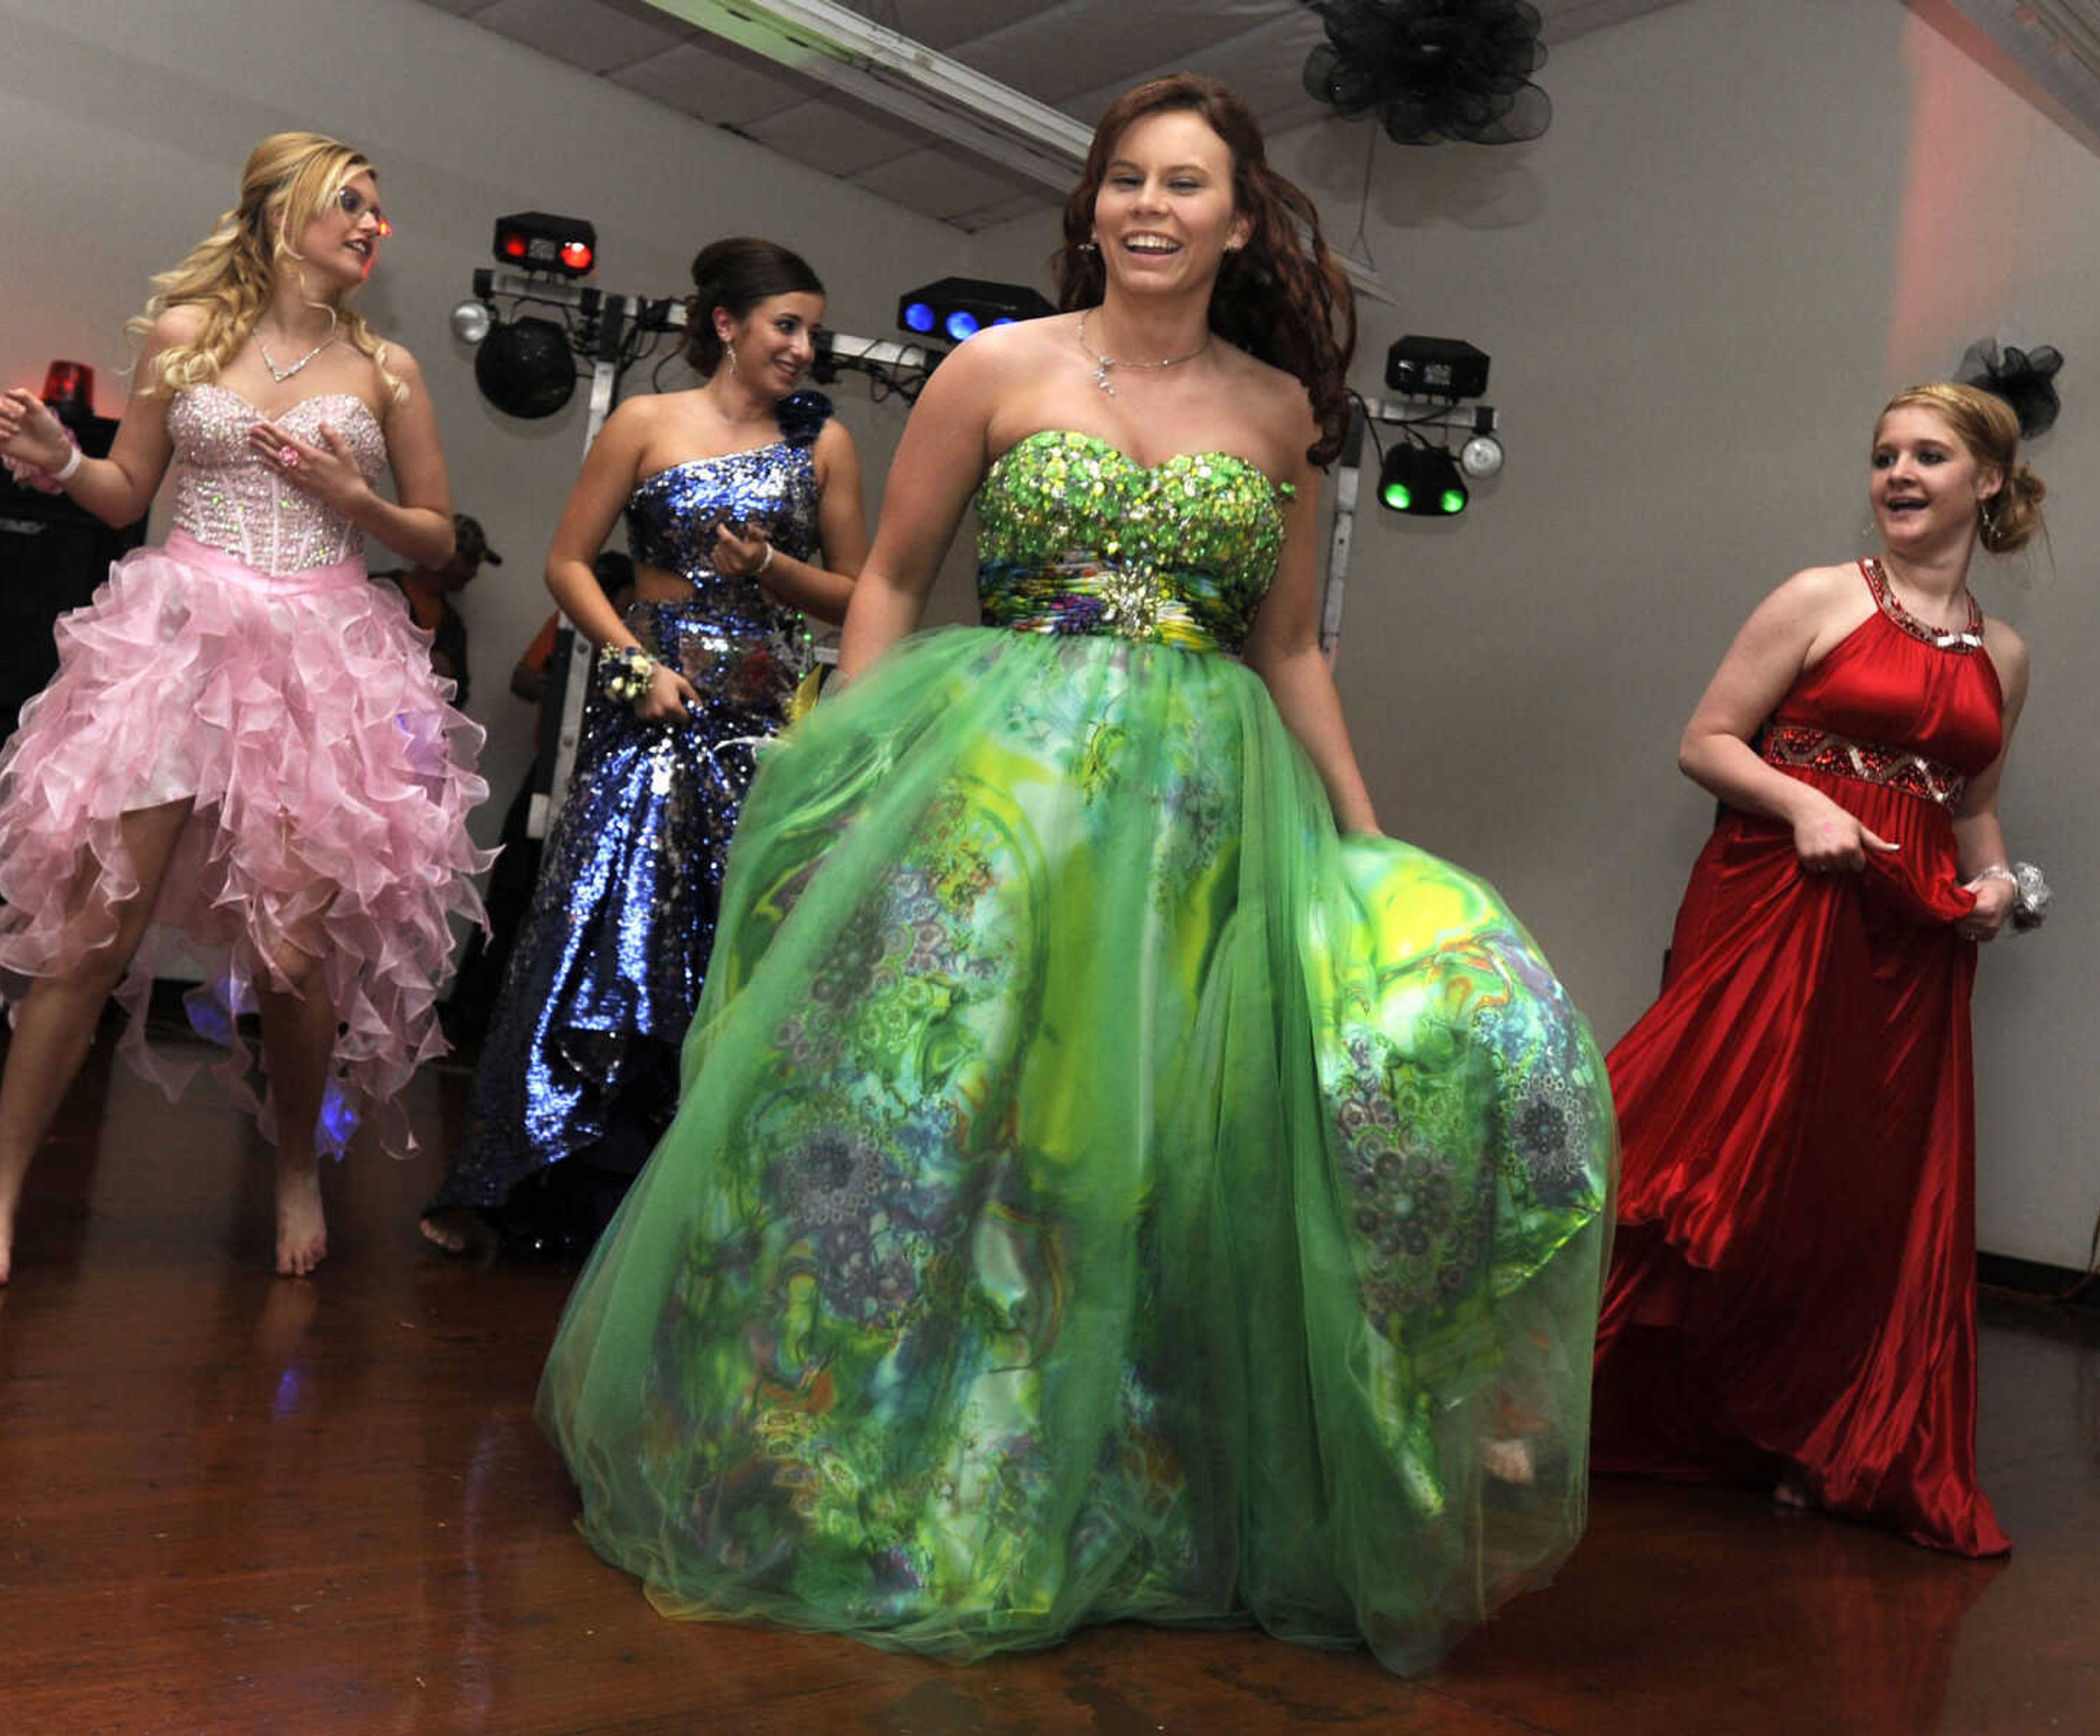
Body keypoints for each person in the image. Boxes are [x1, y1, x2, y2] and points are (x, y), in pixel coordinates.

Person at [536, 77, 1612, 1675]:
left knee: (1154, 1145)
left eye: (1186, 184)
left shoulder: (1279, 415)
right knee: (950, 1120)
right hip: (1005, 786)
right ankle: (884, 1467)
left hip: (1197, 816)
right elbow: (893, 578)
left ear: (1241, 219)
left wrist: (1362, 835)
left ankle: (1114, 1467)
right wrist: (848, 772)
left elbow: (1295, 647)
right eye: (1126, 181)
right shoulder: (997, 369)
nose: (1151, 206)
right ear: (1093, 207)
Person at [0, 132, 491, 1285]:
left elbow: (442, 534)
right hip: (182, 642)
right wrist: (57, 456)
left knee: (292, 960)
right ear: (282, 215)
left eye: (379, 211)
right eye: (349, 203)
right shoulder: (189, 335)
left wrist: (357, 499)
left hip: (320, 661)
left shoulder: (385, 369)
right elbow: (126, 490)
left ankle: (294, 1170)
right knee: (92, 934)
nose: (370, 224)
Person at [1592, 383, 2039, 1558]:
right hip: (1785, 898)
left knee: (1852, 1185)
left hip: (1909, 948)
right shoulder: (1819, 597)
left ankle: (1812, 1434)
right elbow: (1707, 741)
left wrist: (2000, 885)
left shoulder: (2004, 651)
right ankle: (1541, 1390)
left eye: (1928, 456)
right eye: (1885, 454)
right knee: (1701, 1140)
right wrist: (1803, 805)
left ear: (1986, 481)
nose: (1898, 473)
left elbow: (1976, 808)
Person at [419, 239, 869, 1257]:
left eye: (812, 331)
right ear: (726, 325)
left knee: (732, 955)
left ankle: (695, 1211)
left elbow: (862, 591)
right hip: (657, 709)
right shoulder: (646, 422)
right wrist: (630, 667)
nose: (802, 349)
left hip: (766, 730)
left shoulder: (825, 446)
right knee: (606, 933)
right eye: (785, 326)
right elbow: (568, 563)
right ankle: (544, 1182)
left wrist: (773, 569)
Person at [441, 551, 635, 1051]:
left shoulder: (645, 632)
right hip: (550, 776)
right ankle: (472, 1023)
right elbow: (523, 677)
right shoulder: (571, 618)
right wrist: (564, 686)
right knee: (512, 897)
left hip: (612, 781)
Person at [383, 510, 501, 708]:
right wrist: (415, 663)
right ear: (444, 553)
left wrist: (448, 679)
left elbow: (460, 695)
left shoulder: (454, 628)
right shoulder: (381, 591)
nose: (474, 573)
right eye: (470, 561)